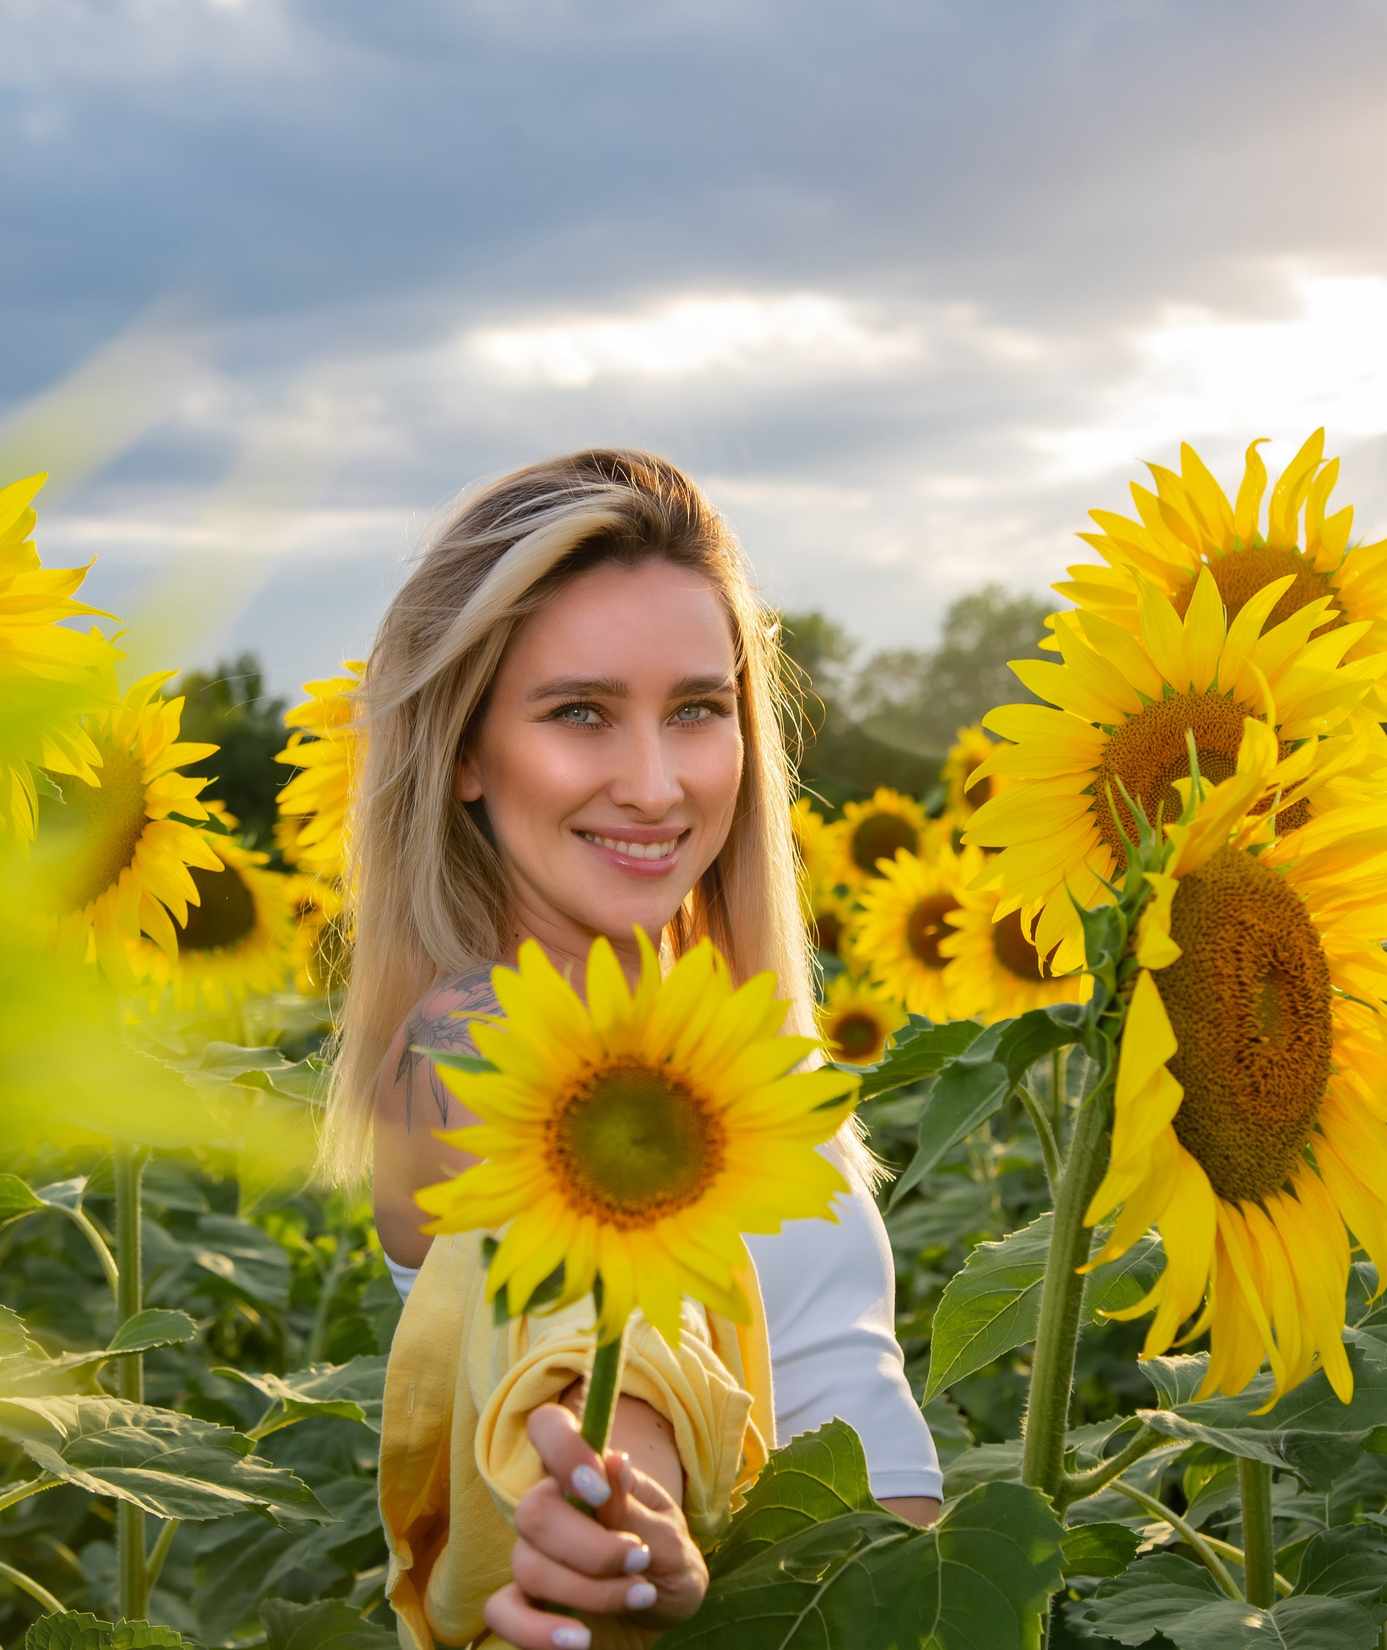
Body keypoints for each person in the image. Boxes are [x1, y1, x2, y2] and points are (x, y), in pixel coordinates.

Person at [319, 450, 941, 1650]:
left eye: (698, 709)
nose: (655, 785)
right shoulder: (458, 1043)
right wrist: (617, 1499)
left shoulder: (738, 1042)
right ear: (461, 752)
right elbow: (583, 1338)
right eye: (580, 712)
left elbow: (841, 1386)